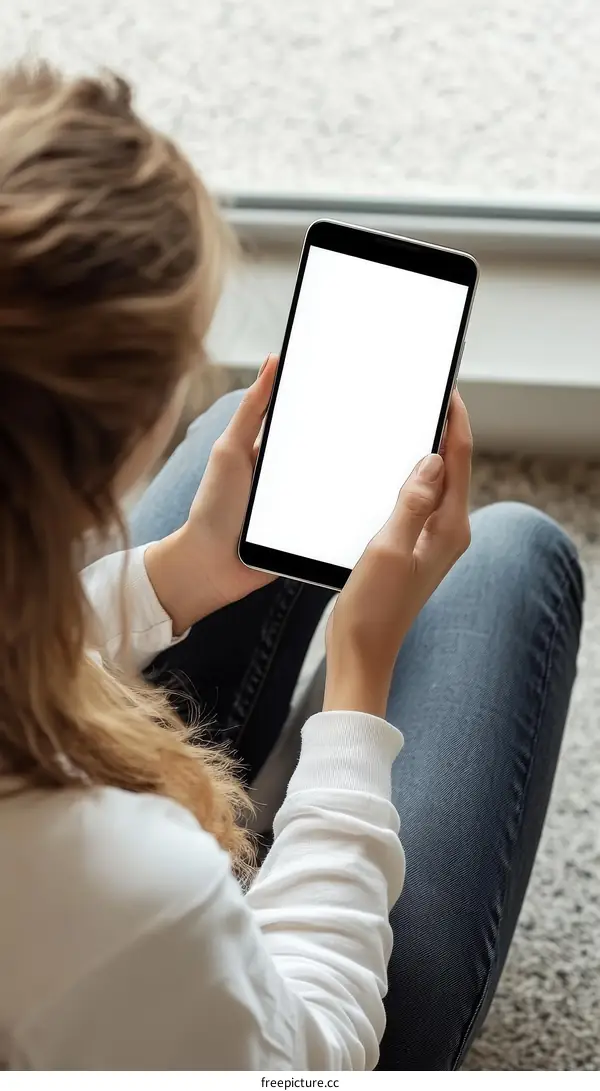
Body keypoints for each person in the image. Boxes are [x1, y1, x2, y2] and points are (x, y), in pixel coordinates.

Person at [0, 65, 583, 1072]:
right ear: (116, 440)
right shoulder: (139, 891)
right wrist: (357, 686)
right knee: (507, 555)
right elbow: (311, 1053)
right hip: (248, 1001)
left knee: (248, 458)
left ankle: (269, 747)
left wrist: (178, 575)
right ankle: (295, 789)